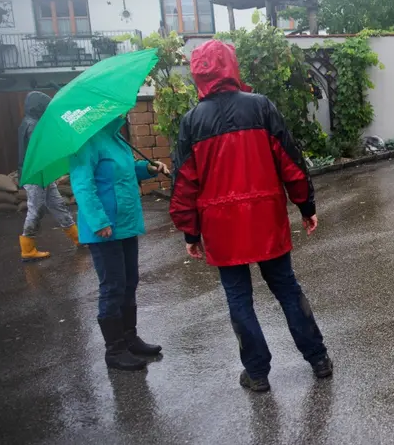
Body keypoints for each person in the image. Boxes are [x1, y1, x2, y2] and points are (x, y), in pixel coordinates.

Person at [170, 40, 331, 393]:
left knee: (238, 298)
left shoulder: (191, 122)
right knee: (286, 287)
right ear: (231, 65)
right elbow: (290, 161)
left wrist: (190, 233)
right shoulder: (260, 106)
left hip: (221, 229)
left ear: (198, 73)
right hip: (265, 219)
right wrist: (306, 206)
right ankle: (318, 359)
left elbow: (184, 183)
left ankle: (257, 373)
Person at [69, 116, 168, 371]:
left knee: (129, 281)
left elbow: (125, 171)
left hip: (126, 222)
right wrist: (98, 221)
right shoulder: (87, 142)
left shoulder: (117, 138)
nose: (123, 113)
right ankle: (114, 351)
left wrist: (147, 168)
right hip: (105, 228)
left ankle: (129, 338)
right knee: (112, 286)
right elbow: (82, 184)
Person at [17, 91, 80, 261]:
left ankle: (78, 238)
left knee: (57, 205)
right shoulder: (33, 125)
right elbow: (43, 151)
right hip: (35, 175)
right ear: (39, 107)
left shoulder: (30, 122)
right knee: (36, 209)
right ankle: (27, 249)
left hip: (41, 173)